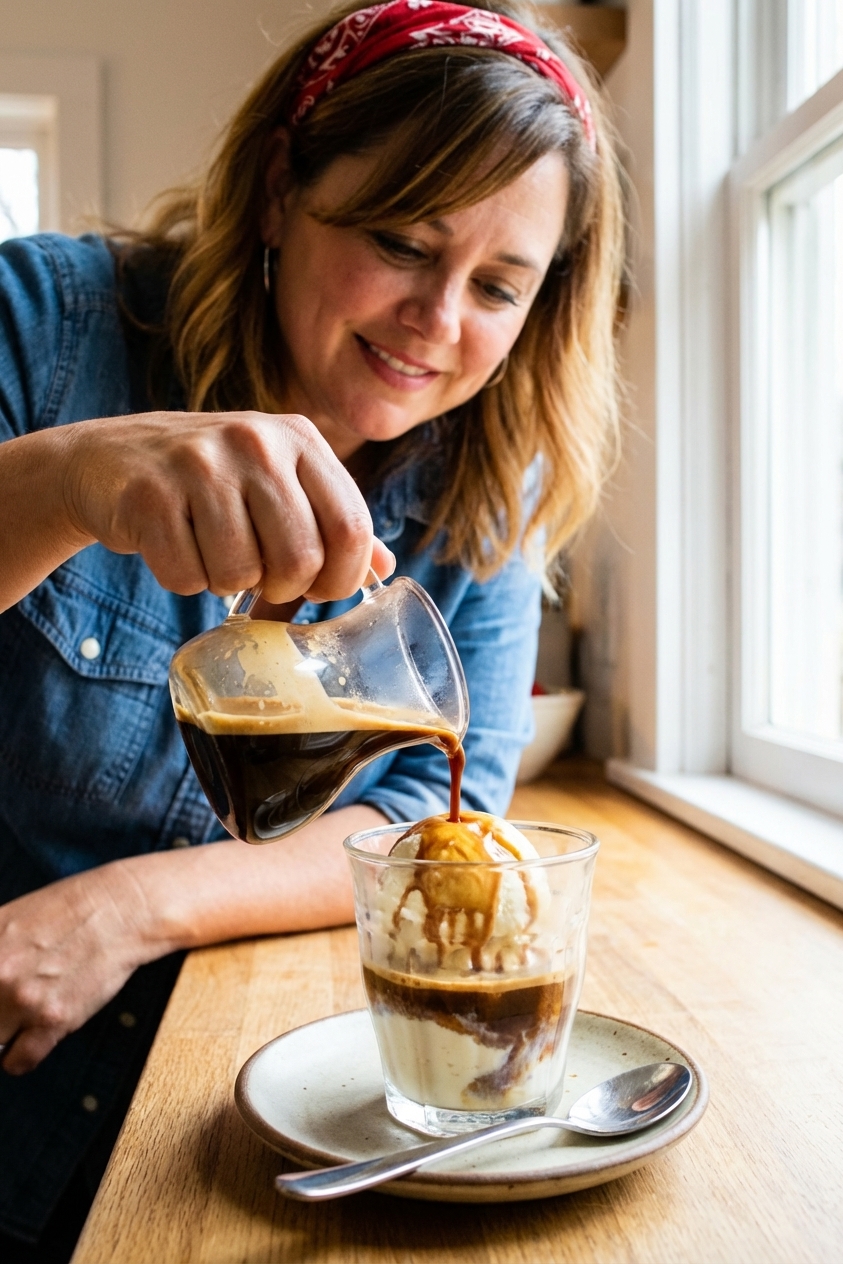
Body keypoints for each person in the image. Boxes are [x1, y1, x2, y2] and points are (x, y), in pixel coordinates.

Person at [0, 0, 624, 1256]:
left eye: (498, 286)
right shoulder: (46, 323)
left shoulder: (485, 486)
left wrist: (127, 908)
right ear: (284, 189)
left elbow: (430, 803)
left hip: (208, 1081)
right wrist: (65, 482)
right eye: (402, 241)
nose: (437, 321)